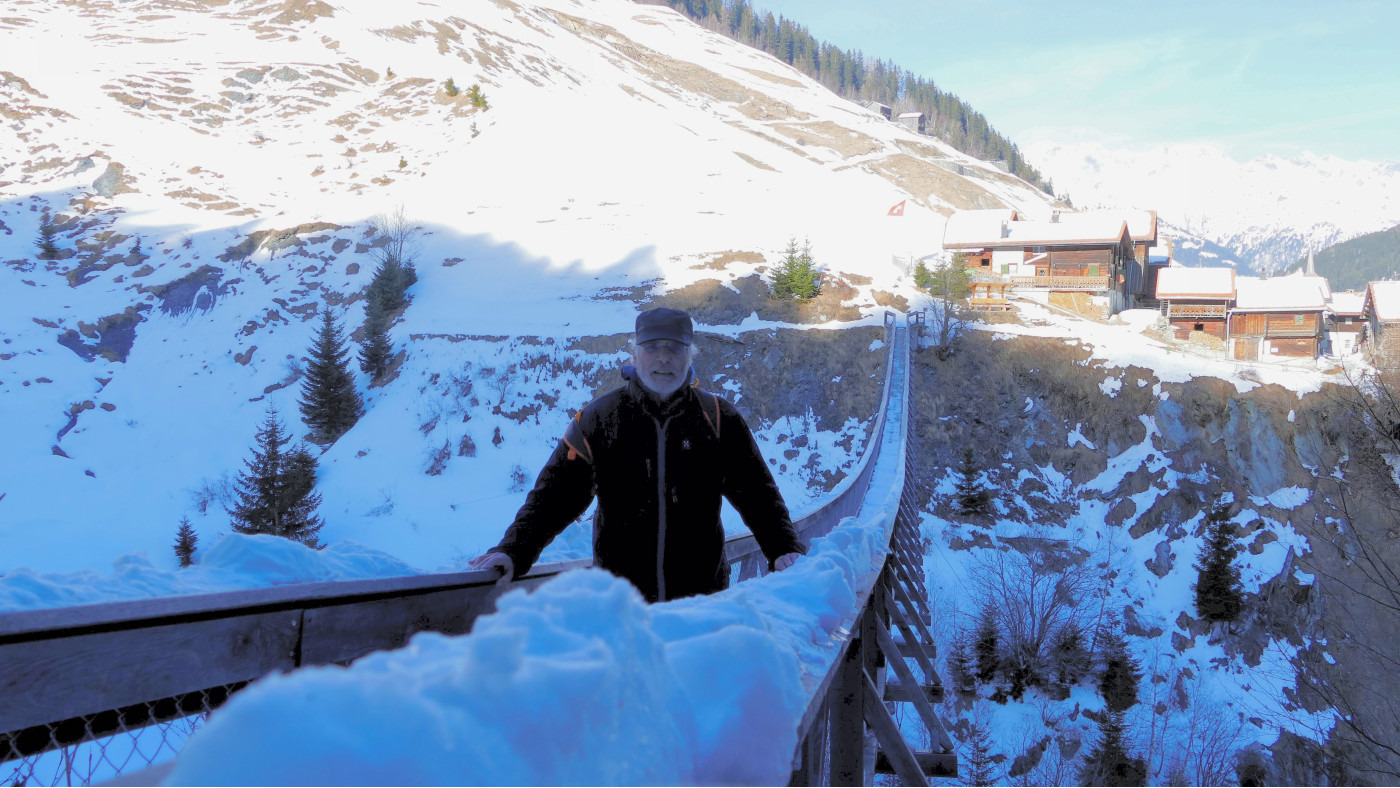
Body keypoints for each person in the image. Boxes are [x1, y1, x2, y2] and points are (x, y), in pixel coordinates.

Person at [469, 308, 805, 602]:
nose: (663, 358)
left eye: (675, 348)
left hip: (702, 608)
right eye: (652, 347)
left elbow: (758, 493)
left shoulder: (719, 418)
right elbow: (552, 499)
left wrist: (783, 549)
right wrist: (512, 551)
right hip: (621, 611)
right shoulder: (598, 420)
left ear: (690, 356)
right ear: (634, 353)